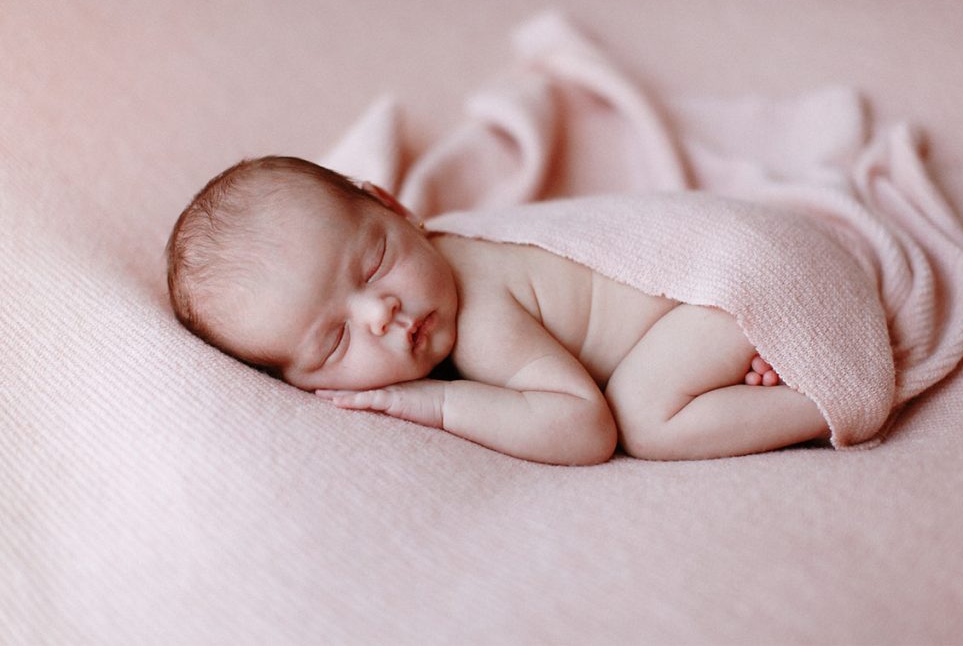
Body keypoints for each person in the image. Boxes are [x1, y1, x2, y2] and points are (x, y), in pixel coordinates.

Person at [166, 156, 830, 465]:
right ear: (304, 384)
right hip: (744, 263)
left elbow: (582, 427)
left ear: (397, 207)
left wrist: (432, 403)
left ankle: (821, 396)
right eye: (336, 340)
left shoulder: (480, 316)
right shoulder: (442, 253)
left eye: (372, 264)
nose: (381, 312)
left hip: (738, 277)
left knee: (641, 417)